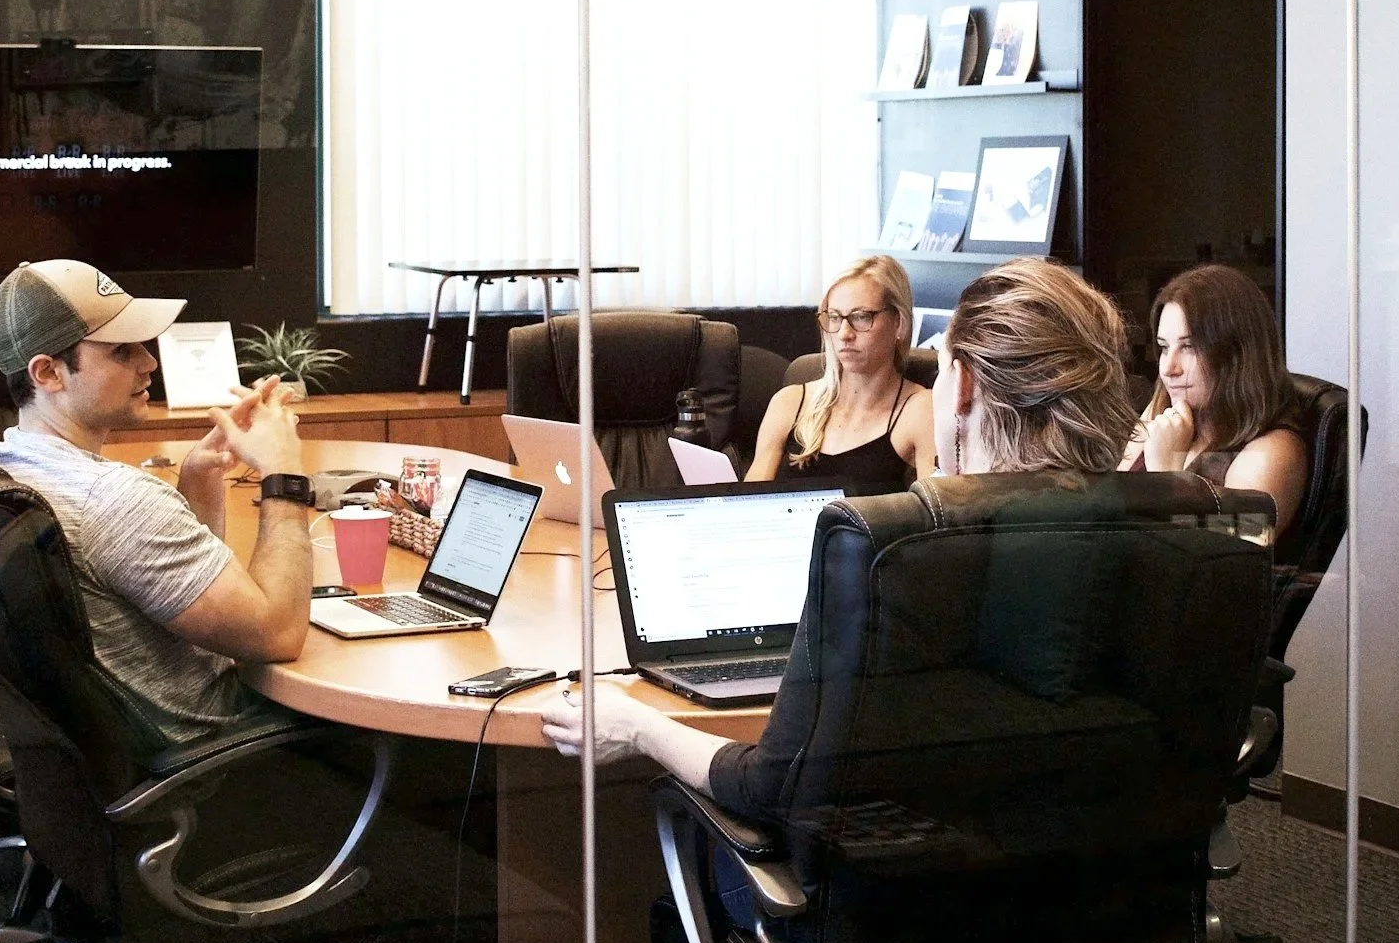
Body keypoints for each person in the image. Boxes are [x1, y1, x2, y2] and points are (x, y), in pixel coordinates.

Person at [544, 255, 1137, 809]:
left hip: (893, 866)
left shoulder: (892, 559)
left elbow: (771, 783)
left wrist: (638, 726)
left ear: (960, 387)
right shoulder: (1162, 529)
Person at [0, 258, 319, 744]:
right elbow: (278, 634)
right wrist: (283, 474)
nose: (149, 362)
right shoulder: (112, 501)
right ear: (49, 372)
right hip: (226, 751)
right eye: (122, 350)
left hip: (118, 753)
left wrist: (198, 476)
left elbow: (170, 590)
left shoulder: (5, 464)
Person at [1120, 264, 1307, 529]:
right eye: (1164, 348)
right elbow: (1109, 513)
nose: (1168, 368)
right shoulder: (1163, 409)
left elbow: (1227, 549)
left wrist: (1166, 476)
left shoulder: (1273, 452)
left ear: (1236, 354)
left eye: (1189, 347)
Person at [745, 254, 934, 490]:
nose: (844, 333)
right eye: (834, 317)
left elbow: (938, 509)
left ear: (899, 322)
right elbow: (748, 504)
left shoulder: (921, 409)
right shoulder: (789, 402)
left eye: (861, 317)